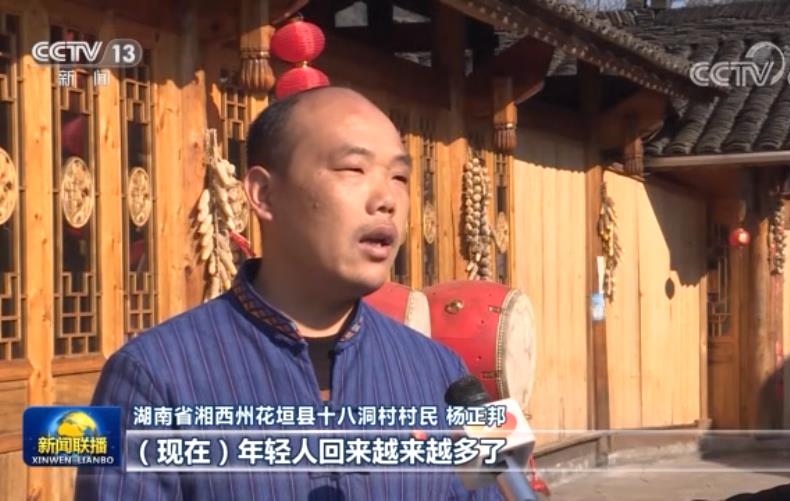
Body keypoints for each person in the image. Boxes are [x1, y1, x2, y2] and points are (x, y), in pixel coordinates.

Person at [74, 86, 505, 500]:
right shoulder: (152, 376)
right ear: (264, 194)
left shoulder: (444, 375)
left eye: (399, 176)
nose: (387, 199)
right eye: (353, 169)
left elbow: (499, 490)